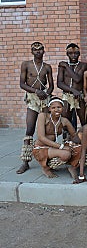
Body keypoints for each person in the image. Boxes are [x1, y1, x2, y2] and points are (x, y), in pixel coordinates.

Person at [17, 42, 54, 174]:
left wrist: (46, 94)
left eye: (40, 49)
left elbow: (51, 86)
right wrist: (35, 91)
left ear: (44, 51)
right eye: (35, 50)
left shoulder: (47, 67)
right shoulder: (26, 64)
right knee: (30, 129)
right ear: (32, 52)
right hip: (32, 99)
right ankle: (25, 161)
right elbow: (22, 84)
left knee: (47, 128)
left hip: (44, 99)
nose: (38, 52)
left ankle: (47, 158)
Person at [32, 97, 77, 179]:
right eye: (53, 108)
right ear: (49, 109)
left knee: (74, 150)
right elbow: (41, 137)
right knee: (66, 154)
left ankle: (55, 165)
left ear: (62, 108)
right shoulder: (43, 116)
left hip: (52, 148)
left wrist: (82, 136)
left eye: (59, 107)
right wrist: (62, 147)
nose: (56, 110)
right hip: (40, 148)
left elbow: (74, 135)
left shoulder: (64, 121)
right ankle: (46, 168)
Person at [57, 43, 87, 129]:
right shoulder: (61, 67)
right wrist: (72, 90)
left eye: (76, 53)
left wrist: (67, 66)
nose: (73, 56)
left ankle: (86, 138)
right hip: (67, 96)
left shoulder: (83, 65)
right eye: (70, 53)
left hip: (79, 95)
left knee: (84, 120)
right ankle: (67, 139)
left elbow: (77, 79)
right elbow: (59, 83)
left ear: (79, 54)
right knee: (66, 120)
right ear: (67, 54)